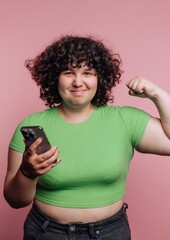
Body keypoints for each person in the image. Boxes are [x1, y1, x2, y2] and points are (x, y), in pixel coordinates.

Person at [3, 35, 170, 240]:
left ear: (100, 77)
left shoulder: (125, 119)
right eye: (68, 72)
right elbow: (15, 200)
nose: (78, 82)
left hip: (110, 233)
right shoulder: (30, 125)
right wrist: (28, 172)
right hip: (47, 233)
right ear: (54, 77)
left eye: (88, 73)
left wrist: (158, 95)